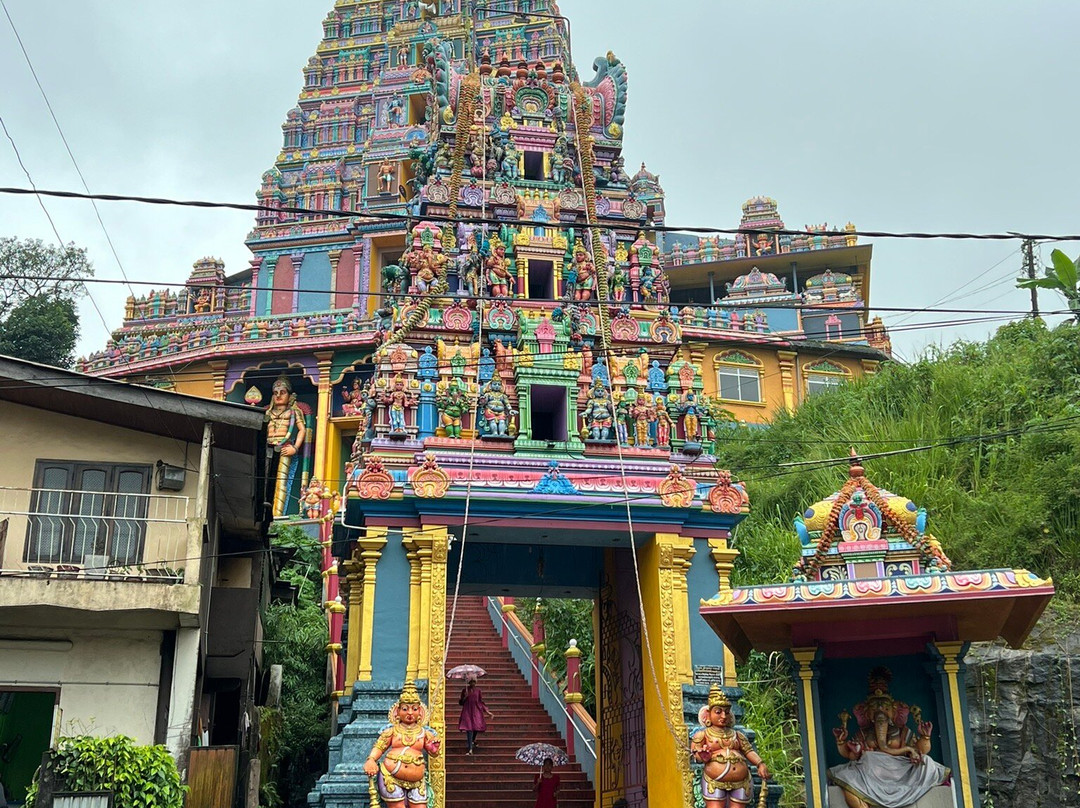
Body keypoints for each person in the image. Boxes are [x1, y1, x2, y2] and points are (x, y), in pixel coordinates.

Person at [457, 676, 494, 755]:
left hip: (476, 710)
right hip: (467, 711)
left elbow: (480, 702)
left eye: (474, 681)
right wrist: (465, 697)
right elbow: (461, 703)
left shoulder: (478, 691)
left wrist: (487, 712)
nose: (473, 683)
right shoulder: (465, 690)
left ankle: (473, 740)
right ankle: (470, 748)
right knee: (469, 729)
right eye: (471, 682)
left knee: (477, 726)